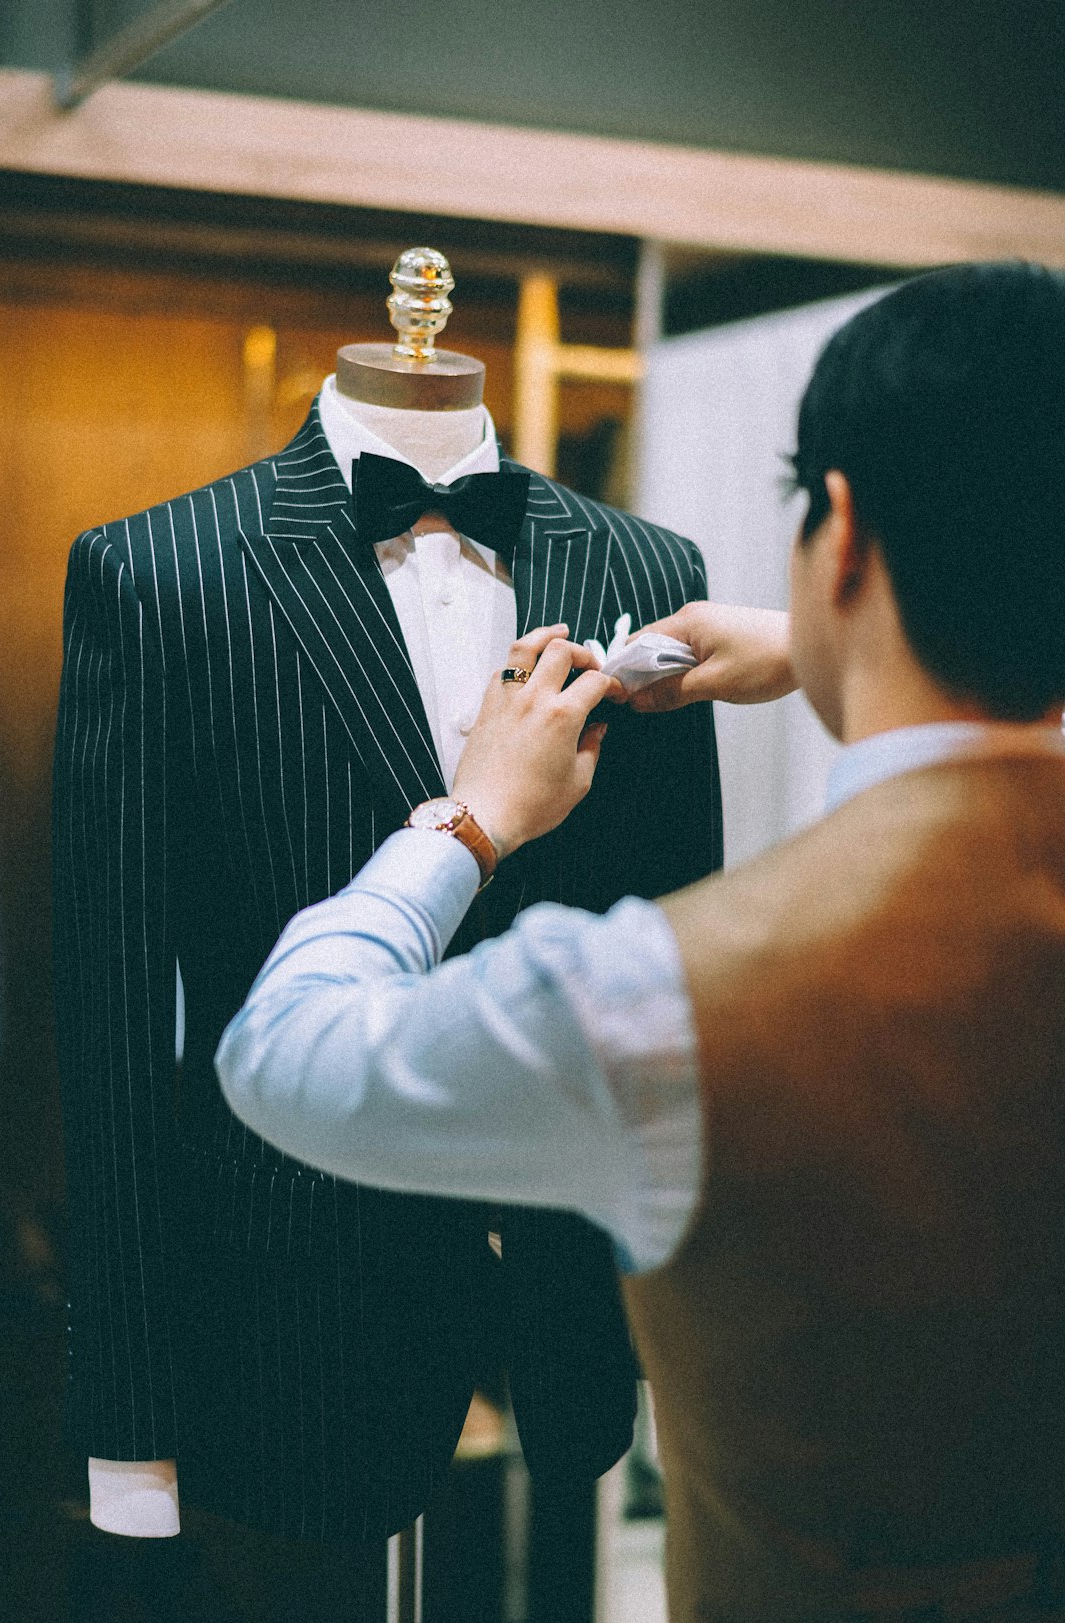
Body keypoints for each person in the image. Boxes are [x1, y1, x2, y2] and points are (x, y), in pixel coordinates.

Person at [216, 260, 1065, 1622]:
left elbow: (285, 1053)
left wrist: (473, 824)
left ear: (838, 533)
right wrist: (817, 639)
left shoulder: (671, 995)